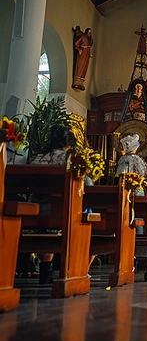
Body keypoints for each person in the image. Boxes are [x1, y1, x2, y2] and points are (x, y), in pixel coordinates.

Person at [30, 125, 76, 284]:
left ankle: (46, 272)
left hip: (35, 210)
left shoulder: (38, 158)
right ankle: (70, 271)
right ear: (69, 145)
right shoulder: (68, 159)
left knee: (44, 230)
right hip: (59, 211)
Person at [72, 26, 93, 91]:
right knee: (80, 66)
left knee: (85, 67)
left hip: (87, 53)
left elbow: (90, 46)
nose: (89, 34)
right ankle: (77, 80)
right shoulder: (83, 37)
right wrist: (79, 49)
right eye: (88, 32)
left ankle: (81, 80)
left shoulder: (90, 40)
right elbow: (77, 43)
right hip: (83, 52)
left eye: (90, 33)